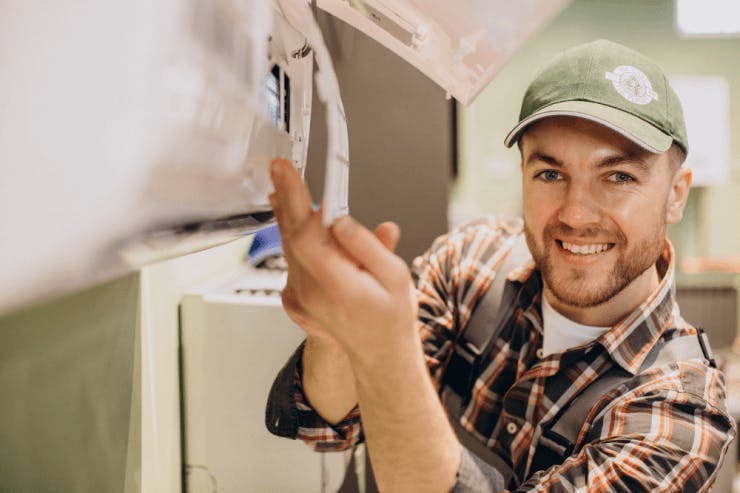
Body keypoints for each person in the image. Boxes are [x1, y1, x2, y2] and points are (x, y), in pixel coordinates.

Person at [264, 39, 736, 492]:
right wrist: (335, 334)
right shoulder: (471, 263)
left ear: (676, 194)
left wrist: (386, 352)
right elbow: (324, 424)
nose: (575, 213)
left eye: (618, 176)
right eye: (550, 174)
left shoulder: (680, 414)